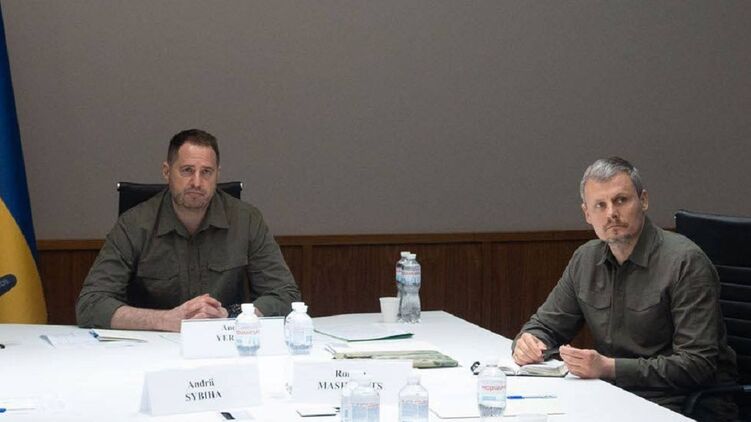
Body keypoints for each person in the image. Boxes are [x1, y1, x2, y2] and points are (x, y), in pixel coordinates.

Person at [512, 157, 738, 421]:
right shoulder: (585, 259)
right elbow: (545, 326)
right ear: (587, 214)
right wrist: (529, 341)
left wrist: (608, 368)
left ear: (643, 200)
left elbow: (697, 365)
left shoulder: (685, 262)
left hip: (681, 403)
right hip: (615, 396)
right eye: (600, 205)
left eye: (621, 200)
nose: (611, 213)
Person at [76, 129, 301, 332]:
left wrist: (231, 316)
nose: (197, 182)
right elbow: (90, 304)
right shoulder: (134, 225)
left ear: (217, 175)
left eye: (206, 172)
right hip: (152, 349)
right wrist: (165, 320)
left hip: (226, 344)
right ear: (167, 171)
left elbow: (286, 295)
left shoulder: (247, 220)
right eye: (187, 170)